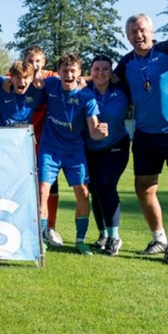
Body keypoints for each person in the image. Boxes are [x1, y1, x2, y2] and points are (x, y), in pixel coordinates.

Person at [114, 13, 168, 265]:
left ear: (151, 31)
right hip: (146, 134)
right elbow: (103, 80)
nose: (138, 35)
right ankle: (158, 237)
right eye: (132, 32)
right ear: (127, 36)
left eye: (141, 30)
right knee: (143, 188)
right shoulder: (126, 63)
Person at [37, 54, 107, 255]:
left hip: (74, 151)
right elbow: (25, 83)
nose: (68, 74)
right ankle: (42, 239)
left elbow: (93, 131)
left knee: (83, 193)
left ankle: (80, 240)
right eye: (64, 71)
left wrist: (100, 132)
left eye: (72, 71)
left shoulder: (87, 97)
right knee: (43, 191)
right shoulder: (50, 85)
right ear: (58, 72)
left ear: (78, 74)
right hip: (49, 149)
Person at [85, 55, 130, 256]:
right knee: (94, 188)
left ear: (111, 72)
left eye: (105, 69)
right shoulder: (84, 90)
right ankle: (102, 235)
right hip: (89, 148)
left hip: (116, 146)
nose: (100, 73)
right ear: (91, 71)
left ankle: (114, 237)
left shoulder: (122, 90)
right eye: (96, 69)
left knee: (105, 185)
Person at [24, 46, 63, 247]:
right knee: (24, 185)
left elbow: (72, 77)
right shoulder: (18, 78)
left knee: (50, 185)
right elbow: (1, 80)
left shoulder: (53, 79)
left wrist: (84, 80)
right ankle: (26, 226)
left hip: (49, 141)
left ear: (44, 62)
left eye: (37, 61)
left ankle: (50, 228)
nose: (34, 65)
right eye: (30, 61)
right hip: (23, 142)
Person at [0, 61, 43, 127]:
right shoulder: (1, 87)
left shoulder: (36, 90)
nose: (21, 81)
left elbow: (55, 79)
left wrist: (39, 72)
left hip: (25, 135)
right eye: (18, 77)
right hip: (4, 134)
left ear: (31, 78)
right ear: (11, 77)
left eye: (25, 77)